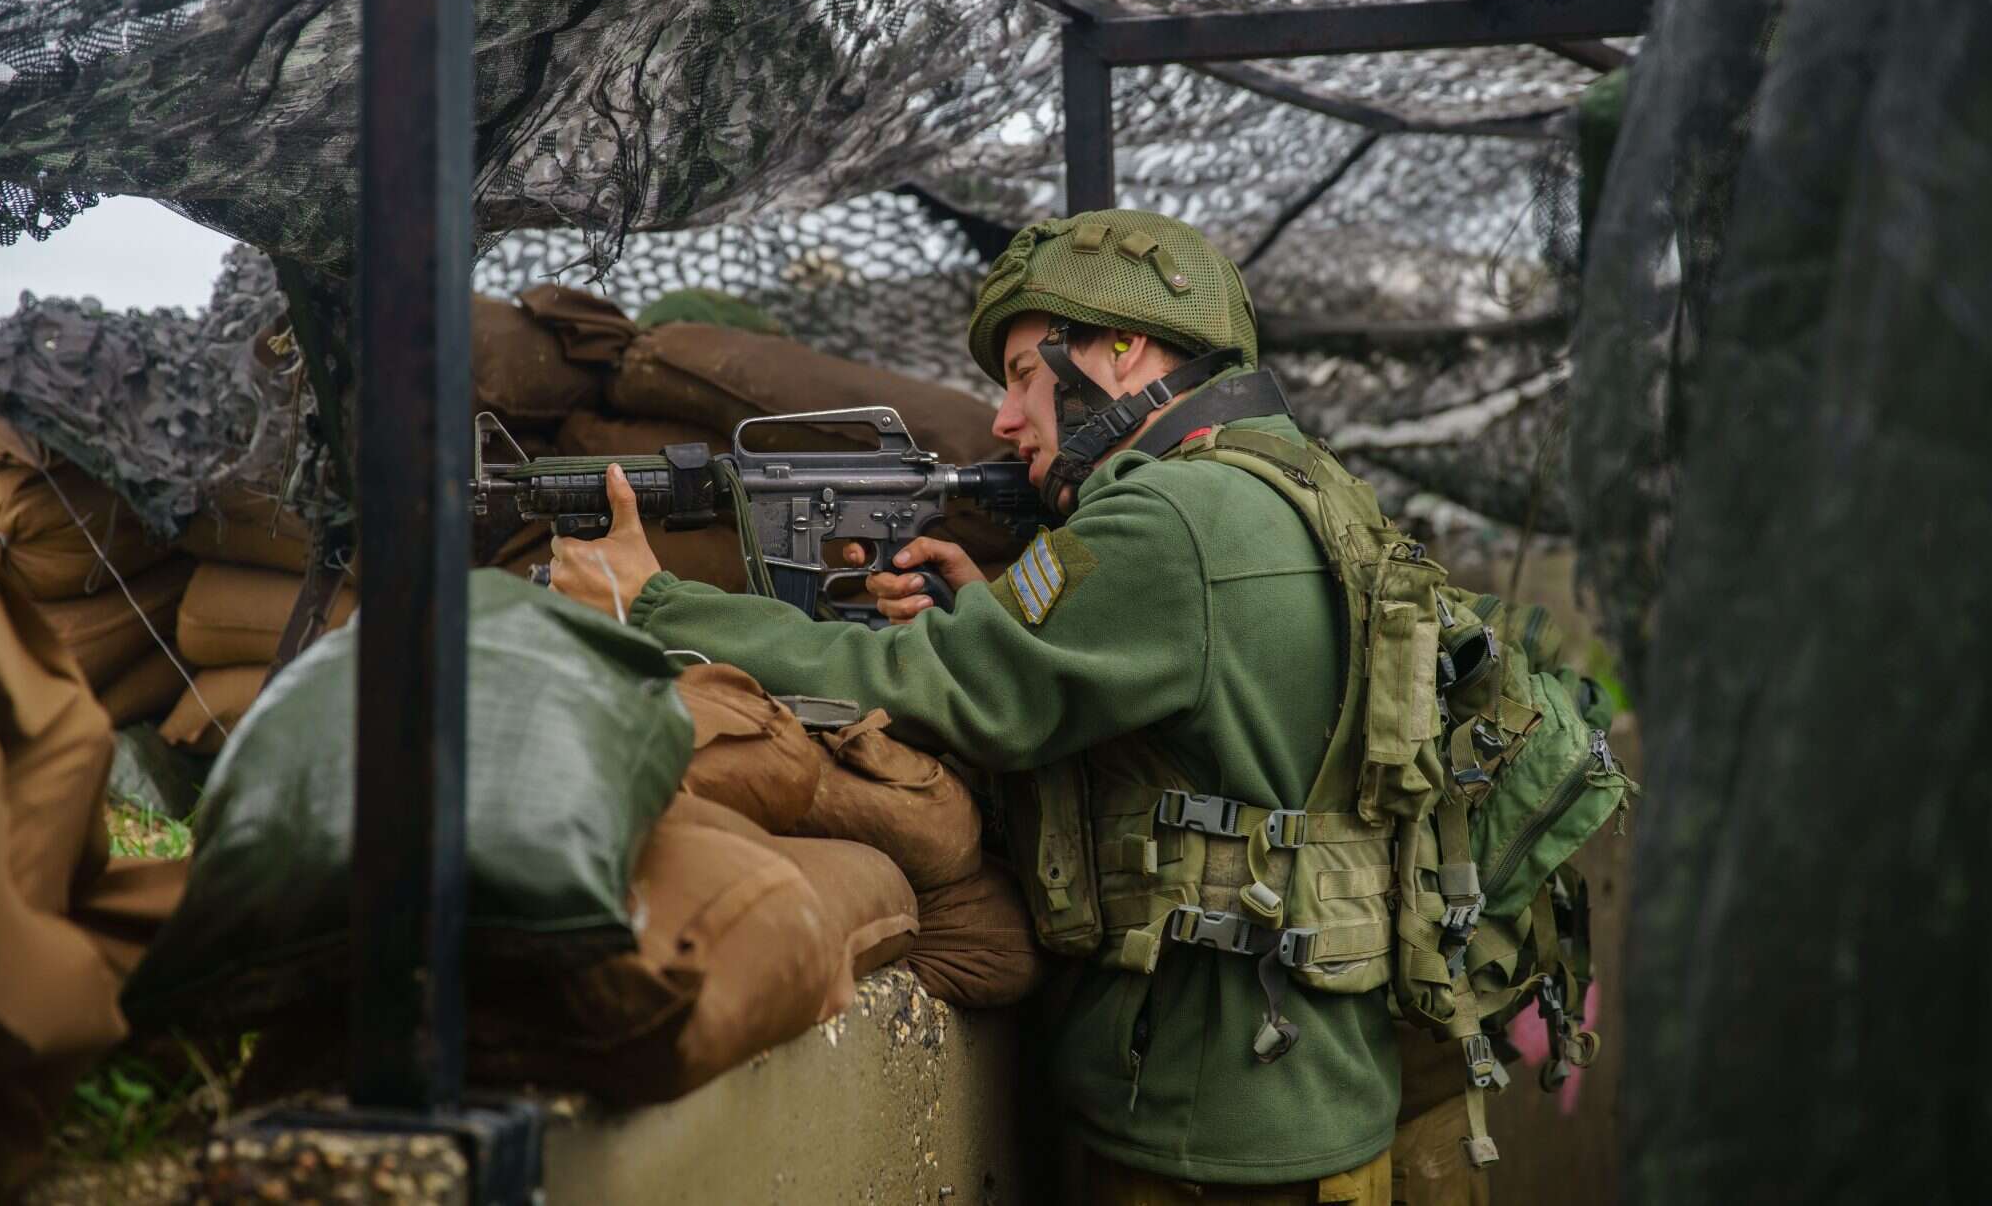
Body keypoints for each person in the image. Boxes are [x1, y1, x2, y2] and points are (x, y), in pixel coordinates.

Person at [553, 209, 1401, 1203]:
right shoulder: (1285, 481)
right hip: (1292, 1087)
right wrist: (986, 618)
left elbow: (932, 687)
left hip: (1211, 1128)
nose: (1002, 419)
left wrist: (650, 600)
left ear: (1121, 349)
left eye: (1020, 377)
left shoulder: (1172, 519)